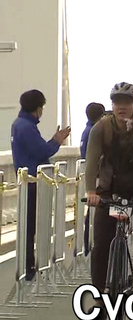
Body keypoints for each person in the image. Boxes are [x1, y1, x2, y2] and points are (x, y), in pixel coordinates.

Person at [84, 82, 133, 320]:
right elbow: (91, 160)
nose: (121, 107)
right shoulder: (102, 128)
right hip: (109, 190)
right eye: (117, 102)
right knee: (101, 246)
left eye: (126, 103)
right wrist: (91, 191)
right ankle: (99, 299)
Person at [11, 89, 72, 281]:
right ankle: (28, 267)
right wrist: (56, 141)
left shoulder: (18, 124)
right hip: (32, 182)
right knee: (31, 227)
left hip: (26, 181)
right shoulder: (27, 127)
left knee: (28, 226)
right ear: (38, 109)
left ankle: (28, 265)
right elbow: (41, 151)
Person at [80, 102, 106, 256]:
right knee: (96, 215)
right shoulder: (95, 131)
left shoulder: (87, 130)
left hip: (93, 176)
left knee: (91, 214)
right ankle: (92, 248)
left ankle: (88, 247)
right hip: (97, 177)